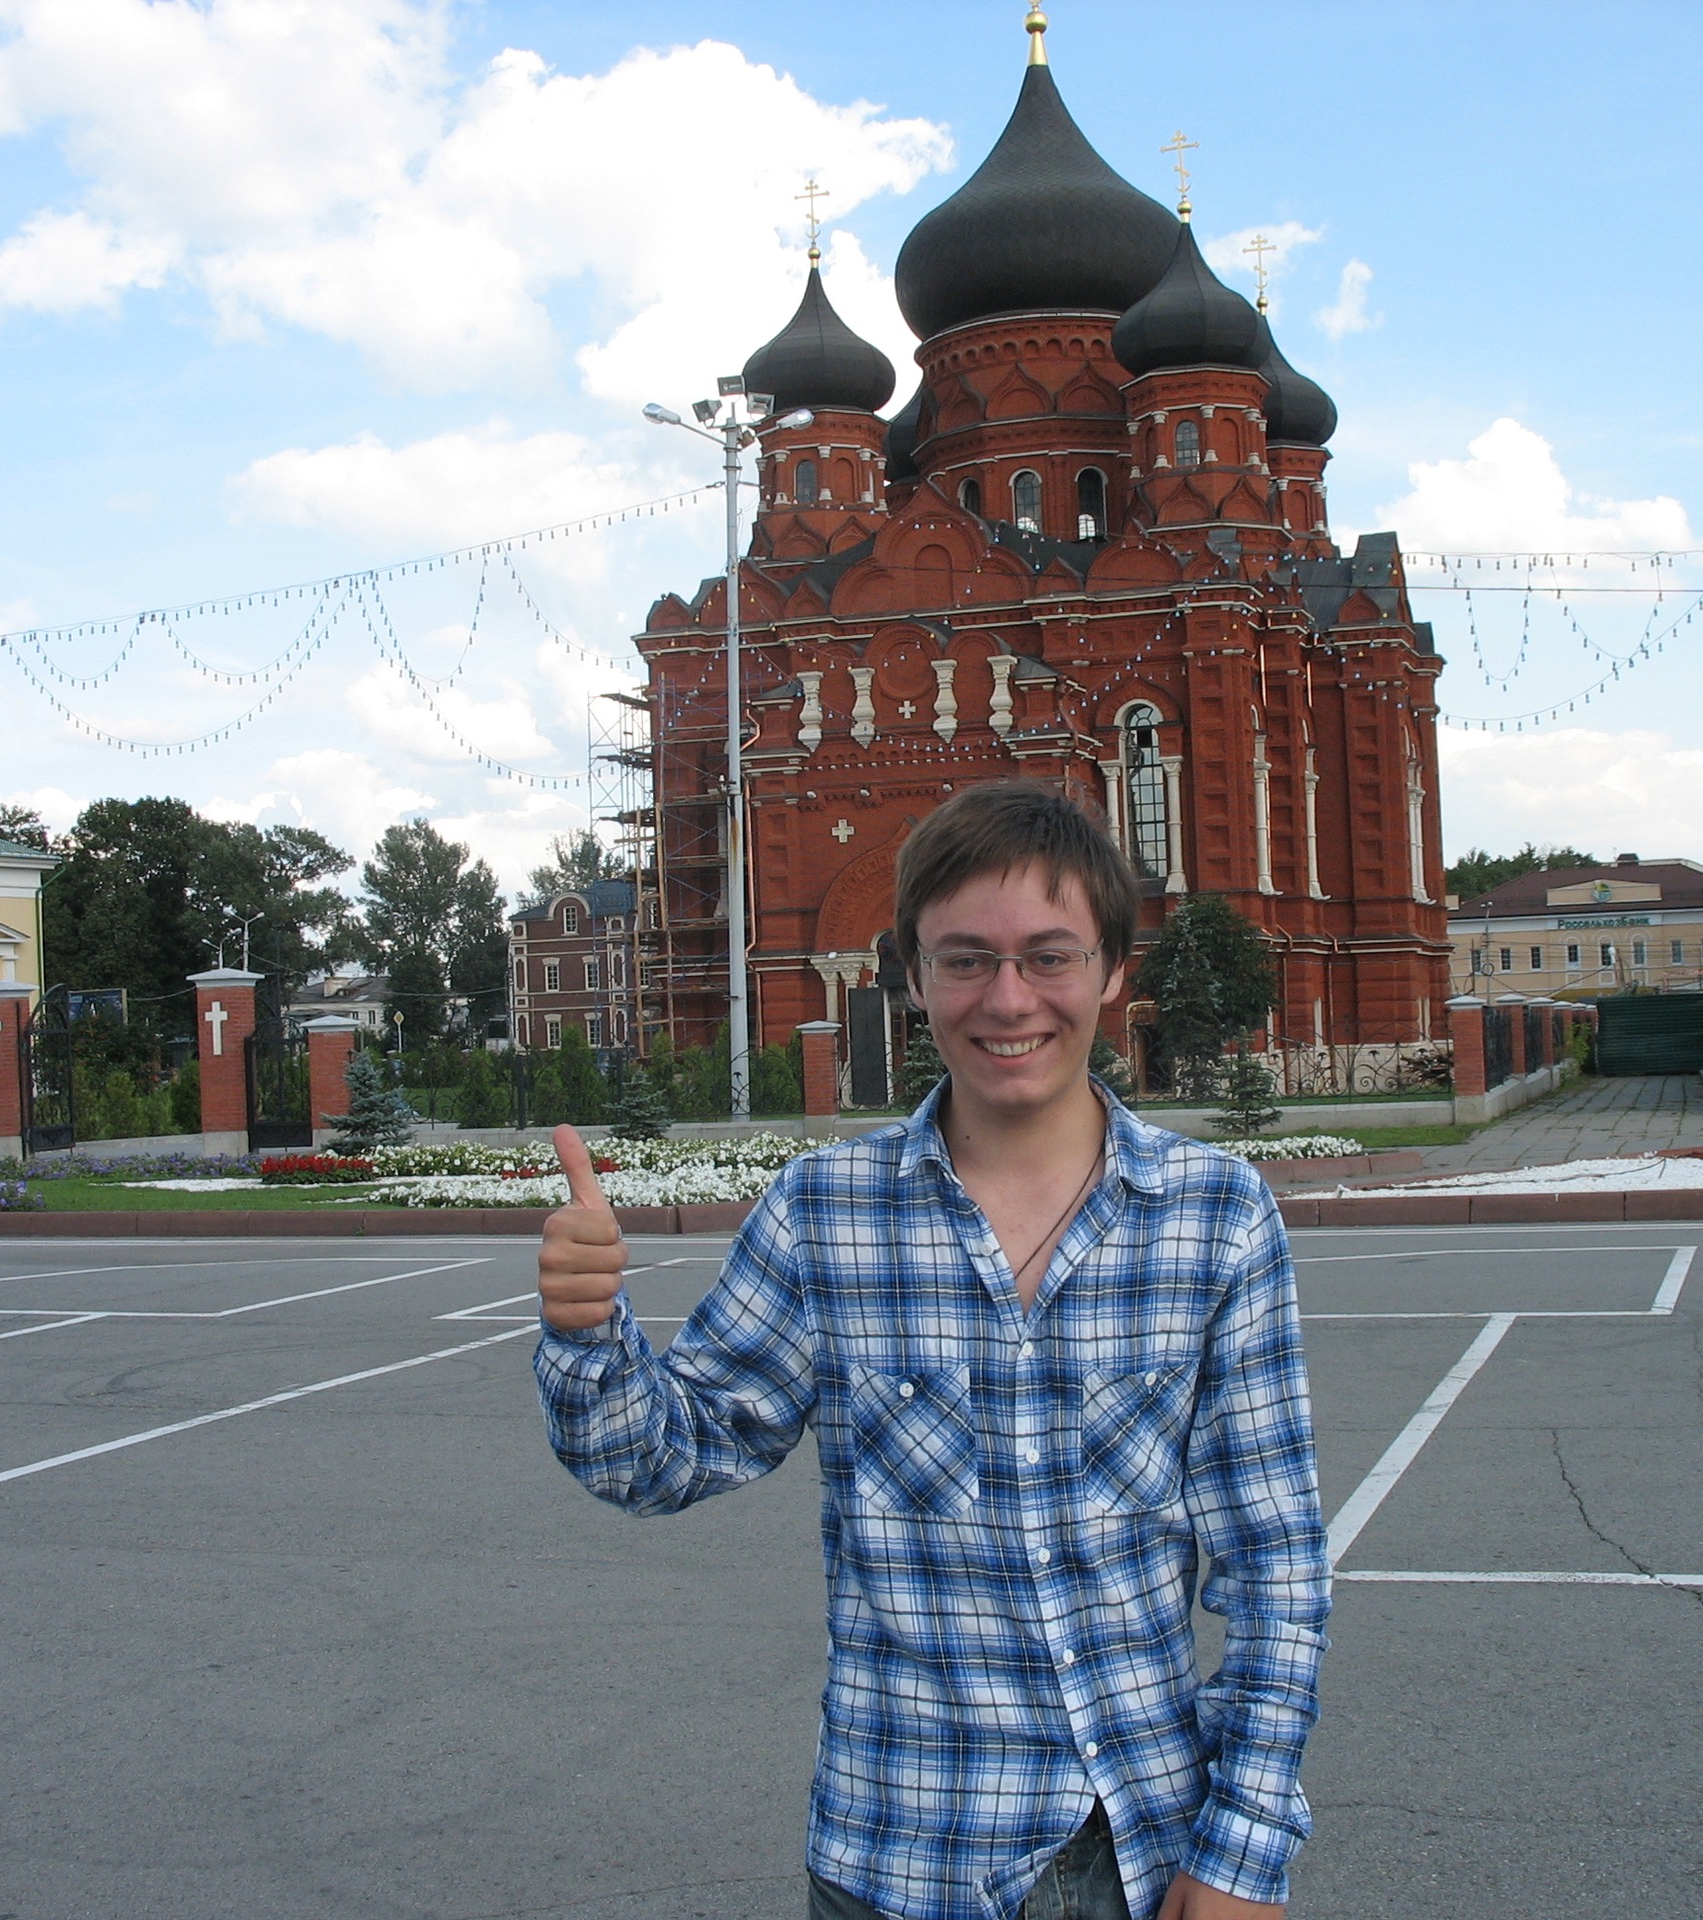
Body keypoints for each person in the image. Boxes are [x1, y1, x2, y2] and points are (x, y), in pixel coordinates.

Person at [534, 781, 1328, 1920]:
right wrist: (586, 1332)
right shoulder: (825, 1213)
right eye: (965, 960)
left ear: (1112, 970)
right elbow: (658, 1460)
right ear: (912, 974)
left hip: (1142, 1856)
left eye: (1048, 957)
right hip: (902, 1858)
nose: (1008, 999)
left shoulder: (1215, 1217)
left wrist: (1243, 1849)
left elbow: (1276, 1565)